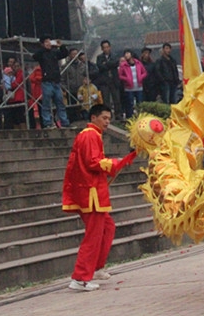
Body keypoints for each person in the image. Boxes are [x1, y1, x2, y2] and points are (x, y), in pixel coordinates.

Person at [62, 104, 137, 291]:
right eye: (104, 118)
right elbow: (92, 162)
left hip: (91, 190)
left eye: (109, 119)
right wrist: (115, 163)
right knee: (93, 235)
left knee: (107, 228)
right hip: (91, 193)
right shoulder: (89, 135)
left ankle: (95, 267)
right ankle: (80, 277)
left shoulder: (91, 135)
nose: (107, 122)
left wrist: (116, 164)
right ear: (94, 117)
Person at [33, 35, 71, 130]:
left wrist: (60, 45)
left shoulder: (54, 52)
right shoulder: (41, 54)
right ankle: (47, 123)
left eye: (49, 41)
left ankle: (64, 122)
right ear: (42, 44)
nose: (49, 43)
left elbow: (64, 54)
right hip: (47, 82)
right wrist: (43, 48)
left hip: (56, 82)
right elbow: (34, 56)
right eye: (46, 42)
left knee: (60, 103)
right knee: (46, 104)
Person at [95, 40, 122, 120]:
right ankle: (108, 116)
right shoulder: (99, 57)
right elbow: (100, 67)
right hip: (104, 81)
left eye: (107, 47)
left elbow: (116, 63)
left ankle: (118, 115)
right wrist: (110, 64)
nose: (106, 49)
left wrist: (106, 64)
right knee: (106, 101)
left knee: (116, 99)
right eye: (104, 48)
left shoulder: (115, 55)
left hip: (114, 80)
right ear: (102, 49)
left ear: (110, 47)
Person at [118, 49, 147, 119]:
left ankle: (140, 117)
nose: (126, 55)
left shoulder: (138, 63)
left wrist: (141, 77)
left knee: (139, 103)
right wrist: (126, 79)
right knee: (129, 103)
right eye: (125, 54)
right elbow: (120, 75)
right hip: (129, 88)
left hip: (139, 86)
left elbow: (144, 72)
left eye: (127, 53)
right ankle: (130, 117)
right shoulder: (123, 65)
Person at [62, 48, 86, 123]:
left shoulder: (82, 65)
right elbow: (62, 78)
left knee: (82, 105)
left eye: (76, 54)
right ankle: (72, 120)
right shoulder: (65, 66)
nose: (75, 56)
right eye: (73, 54)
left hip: (81, 89)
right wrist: (65, 88)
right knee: (71, 106)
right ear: (70, 55)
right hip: (71, 89)